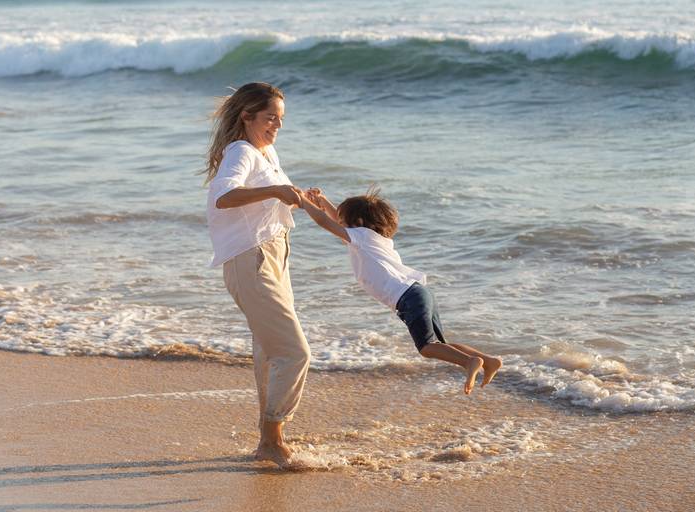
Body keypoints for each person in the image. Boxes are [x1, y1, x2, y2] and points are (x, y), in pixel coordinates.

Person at [301, 187, 502, 394]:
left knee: (426, 348)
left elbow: (326, 222)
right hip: (418, 292)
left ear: (358, 223)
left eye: (344, 221)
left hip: (408, 298)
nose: (339, 224)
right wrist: (323, 201)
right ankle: (489, 361)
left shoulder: (360, 236)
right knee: (440, 345)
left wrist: (302, 201)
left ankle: (471, 362)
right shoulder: (373, 239)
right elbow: (336, 220)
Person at [203, 82, 310, 467]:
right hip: (251, 260)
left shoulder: (266, 151)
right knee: (294, 352)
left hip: (274, 255)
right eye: (270, 118)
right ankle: (271, 436)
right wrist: (276, 192)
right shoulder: (241, 151)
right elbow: (224, 195)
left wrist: (297, 198)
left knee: (269, 351)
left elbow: (271, 201)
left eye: (280, 120)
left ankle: (270, 437)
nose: (276, 126)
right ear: (247, 116)